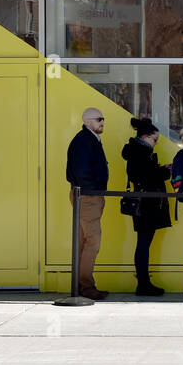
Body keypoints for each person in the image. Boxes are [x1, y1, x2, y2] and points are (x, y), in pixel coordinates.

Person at [122, 117, 171, 296]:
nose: (156, 144)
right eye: (154, 139)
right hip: (146, 206)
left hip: (145, 204)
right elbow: (146, 176)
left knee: (143, 243)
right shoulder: (139, 152)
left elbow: (145, 174)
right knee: (143, 244)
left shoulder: (138, 151)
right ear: (144, 137)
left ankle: (144, 282)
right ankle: (143, 284)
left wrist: (161, 169)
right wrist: (165, 171)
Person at [66, 106, 109, 300]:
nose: (102, 122)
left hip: (87, 196)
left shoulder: (88, 139)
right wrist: (93, 191)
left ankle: (80, 285)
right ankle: (86, 286)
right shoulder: (84, 141)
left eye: (103, 119)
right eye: (99, 119)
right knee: (92, 241)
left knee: (84, 242)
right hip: (88, 196)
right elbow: (82, 171)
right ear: (87, 121)